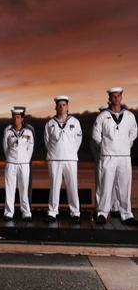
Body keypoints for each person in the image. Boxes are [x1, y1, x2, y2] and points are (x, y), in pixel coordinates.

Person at [92, 87, 137, 225]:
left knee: (124, 186)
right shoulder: (102, 116)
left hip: (124, 156)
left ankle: (126, 214)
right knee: (106, 185)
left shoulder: (129, 116)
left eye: (118, 96)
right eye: (113, 96)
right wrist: (106, 146)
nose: (116, 99)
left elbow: (134, 133)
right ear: (109, 98)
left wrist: (126, 144)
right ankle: (103, 213)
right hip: (108, 156)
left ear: (121, 97)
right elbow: (95, 135)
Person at [44, 96, 83, 224]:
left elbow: (78, 140)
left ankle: (75, 212)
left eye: (64, 105)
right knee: (54, 186)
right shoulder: (50, 124)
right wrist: (55, 152)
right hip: (54, 159)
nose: (61, 107)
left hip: (70, 159)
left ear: (67, 107)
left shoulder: (75, 122)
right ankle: (52, 212)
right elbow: (47, 142)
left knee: (72, 186)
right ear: (56, 107)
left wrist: (71, 152)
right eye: (59, 105)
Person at [2, 107, 34, 222]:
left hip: (24, 164)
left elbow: (30, 148)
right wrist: (10, 158)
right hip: (11, 163)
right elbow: (5, 147)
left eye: (18, 117)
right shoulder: (8, 131)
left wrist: (25, 159)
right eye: (14, 117)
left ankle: (26, 212)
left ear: (22, 119)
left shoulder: (28, 132)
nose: (15, 119)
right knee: (9, 188)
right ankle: (9, 212)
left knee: (24, 188)